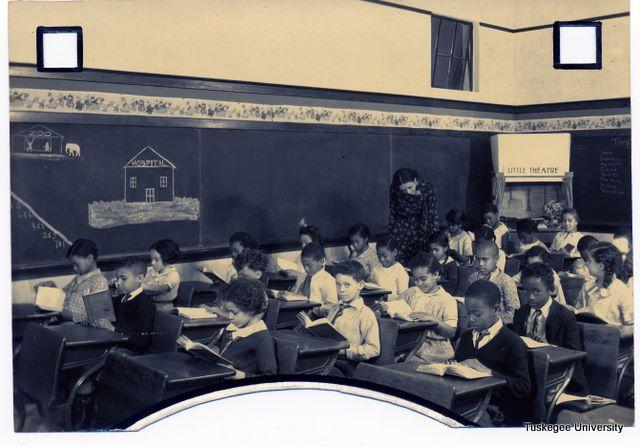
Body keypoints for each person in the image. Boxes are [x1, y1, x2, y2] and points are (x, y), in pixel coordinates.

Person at [455, 280, 532, 426]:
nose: (471, 319)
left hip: (495, 410)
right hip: (466, 401)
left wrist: (489, 372)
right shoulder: (466, 337)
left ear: (496, 310)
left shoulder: (512, 342)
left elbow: (523, 387)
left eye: (477, 314)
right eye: (468, 313)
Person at [513, 263, 588, 396]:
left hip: (560, 375)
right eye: (526, 291)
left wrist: (546, 347)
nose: (530, 297)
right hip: (529, 371)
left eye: (536, 291)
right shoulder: (521, 313)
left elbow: (574, 354)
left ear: (551, 289)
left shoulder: (564, 316)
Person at [382, 252, 457, 364]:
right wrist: (387, 308)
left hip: (435, 349)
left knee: (395, 361)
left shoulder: (447, 300)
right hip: (409, 343)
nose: (419, 284)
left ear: (436, 274)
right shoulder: (412, 292)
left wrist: (433, 320)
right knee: (383, 354)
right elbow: (395, 305)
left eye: (423, 279)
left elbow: (451, 332)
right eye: (416, 279)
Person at [208, 278, 277, 377]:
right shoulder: (233, 326)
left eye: (234, 312)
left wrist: (237, 375)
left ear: (252, 309)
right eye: (228, 312)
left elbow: (270, 377)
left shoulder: (262, 338)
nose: (230, 316)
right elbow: (220, 347)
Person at [36, 239, 109, 324]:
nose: (74, 268)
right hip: (64, 323)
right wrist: (53, 289)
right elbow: (63, 296)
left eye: (77, 265)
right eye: (72, 265)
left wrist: (70, 316)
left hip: (79, 330)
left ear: (90, 258)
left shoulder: (99, 282)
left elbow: (100, 318)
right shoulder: (78, 279)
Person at [329, 261, 381, 377]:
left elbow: (374, 349)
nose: (341, 290)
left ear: (360, 285)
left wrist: (345, 352)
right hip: (329, 360)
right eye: (338, 284)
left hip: (348, 366)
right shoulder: (335, 308)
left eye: (347, 285)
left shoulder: (365, 314)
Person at [98, 258, 156, 353]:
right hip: (115, 345)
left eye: (123, 278)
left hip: (130, 351)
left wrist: (113, 329)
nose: (119, 283)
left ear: (140, 279)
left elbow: (142, 340)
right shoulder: (119, 299)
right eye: (117, 278)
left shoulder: (145, 305)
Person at [574, 242, 633, 326]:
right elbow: (578, 310)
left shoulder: (622, 291)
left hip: (613, 336)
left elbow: (631, 326)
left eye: (590, 261)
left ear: (601, 266)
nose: (586, 264)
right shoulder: (587, 286)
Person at [389, 168, 439, 264]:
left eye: (410, 187)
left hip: (421, 229)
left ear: (416, 180)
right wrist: (392, 231)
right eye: (403, 190)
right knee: (400, 262)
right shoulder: (394, 188)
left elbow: (433, 214)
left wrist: (434, 237)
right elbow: (393, 211)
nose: (407, 192)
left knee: (420, 263)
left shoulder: (428, 188)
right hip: (401, 229)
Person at [465, 241, 520, 324]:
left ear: (496, 259)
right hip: (475, 323)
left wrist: (494, 321)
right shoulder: (472, 278)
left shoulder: (506, 281)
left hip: (498, 326)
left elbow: (514, 313)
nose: (480, 264)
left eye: (485, 259)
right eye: (477, 259)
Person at [291, 242, 338, 317]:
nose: (305, 269)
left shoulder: (328, 280)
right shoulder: (303, 277)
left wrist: (313, 309)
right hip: (300, 315)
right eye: (303, 265)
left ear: (322, 261)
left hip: (318, 318)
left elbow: (332, 308)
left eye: (309, 266)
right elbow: (295, 296)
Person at [143, 239, 181, 310]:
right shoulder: (151, 271)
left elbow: (161, 289)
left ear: (167, 258)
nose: (152, 263)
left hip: (165, 308)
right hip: (150, 305)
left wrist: (139, 285)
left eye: (156, 259)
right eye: (151, 259)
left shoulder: (173, 275)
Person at [428, 230, 461, 295]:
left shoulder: (451, 264)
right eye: (431, 250)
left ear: (445, 248)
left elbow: (451, 287)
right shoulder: (429, 262)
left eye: (436, 250)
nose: (433, 253)